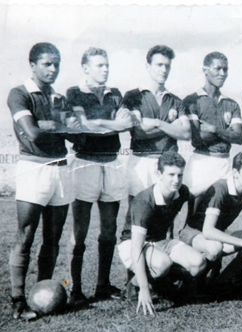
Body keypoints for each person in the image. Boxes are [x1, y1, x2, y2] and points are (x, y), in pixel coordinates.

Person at [7, 42, 79, 320]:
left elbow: (78, 135)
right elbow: (32, 134)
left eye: (57, 64)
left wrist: (49, 125)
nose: (53, 69)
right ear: (33, 64)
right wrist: (57, 127)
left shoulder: (59, 98)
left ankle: (43, 295)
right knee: (25, 237)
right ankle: (17, 300)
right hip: (33, 168)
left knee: (53, 238)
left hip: (61, 169)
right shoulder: (19, 93)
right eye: (47, 64)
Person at [66, 47, 134, 305]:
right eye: (99, 65)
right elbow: (84, 125)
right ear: (85, 68)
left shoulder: (115, 93)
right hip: (85, 163)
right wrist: (112, 124)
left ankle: (102, 285)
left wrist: (106, 125)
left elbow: (126, 123)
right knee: (79, 231)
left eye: (107, 65)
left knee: (109, 230)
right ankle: (75, 290)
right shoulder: (74, 92)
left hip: (112, 162)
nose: (105, 69)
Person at [117, 151, 206, 316]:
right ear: (159, 174)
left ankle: (165, 286)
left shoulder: (181, 191)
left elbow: (193, 192)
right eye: (171, 174)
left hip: (159, 241)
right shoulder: (144, 201)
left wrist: (216, 181)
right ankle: (134, 284)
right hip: (133, 244)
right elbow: (136, 247)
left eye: (180, 175)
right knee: (162, 263)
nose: (176, 180)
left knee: (198, 263)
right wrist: (144, 289)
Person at [179, 151, 242, 286]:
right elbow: (208, 230)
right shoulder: (221, 188)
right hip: (194, 233)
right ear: (235, 172)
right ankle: (193, 282)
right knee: (214, 247)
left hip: (215, 235)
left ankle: (222, 280)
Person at [122, 45, 191, 201]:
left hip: (168, 164)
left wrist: (157, 123)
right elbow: (139, 132)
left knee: (166, 219)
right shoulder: (133, 96)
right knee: (138, 215)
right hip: (141, 161)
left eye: (167, 66)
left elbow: (186, 133)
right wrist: (172, 127)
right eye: (159, 65)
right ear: (148, 66)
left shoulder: (176, 101)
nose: (164, 70)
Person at [183, 52, 242, 196]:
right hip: (202, 162)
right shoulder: (192, 101)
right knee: (196, 212)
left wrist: (214, 129)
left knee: (221, 212)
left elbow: (240, 138)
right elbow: (197, 138)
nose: (222, 73)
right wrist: (227, 132)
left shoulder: (231, 104)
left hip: (225, 163)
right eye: (217, 69)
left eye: (225, 69)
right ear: (205, 70)